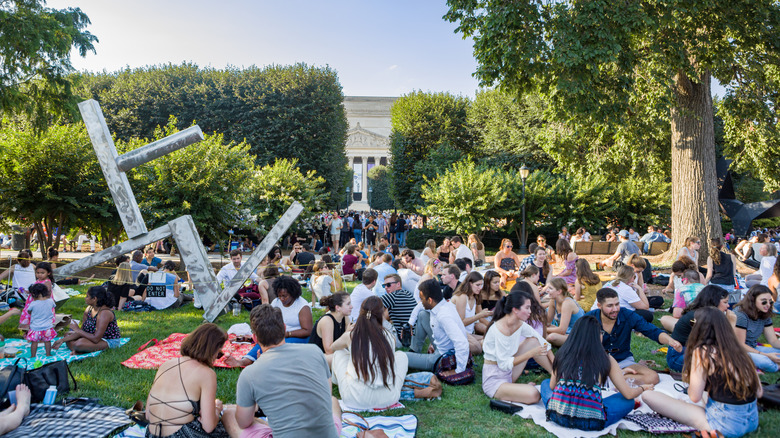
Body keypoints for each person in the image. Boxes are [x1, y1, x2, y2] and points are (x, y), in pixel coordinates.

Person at [222, 305, 342, 438]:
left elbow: (244, 422)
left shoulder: (250, 374)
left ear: (255, 338)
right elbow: (326, 395)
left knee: (229, 414)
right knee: (333, 401)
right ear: (284, 328)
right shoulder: (315, 351)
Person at [642, 308, 761, 438]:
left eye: (693, 324)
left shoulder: (704, 352)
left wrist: (690, 378)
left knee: (648, 395)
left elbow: (694, 396)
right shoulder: (740, 351)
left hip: (724, 425)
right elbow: (759, 392)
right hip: (752, 420)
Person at [542, 316, 654, 431]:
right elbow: (629, 394)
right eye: (601, 332)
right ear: (596, 336)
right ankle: (590, 406)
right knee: (628, 401)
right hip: (591, 421)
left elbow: (552, 386)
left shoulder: (563, 354)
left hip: (558, 416)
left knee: (545, 383)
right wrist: (642, 388)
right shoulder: (605, 359)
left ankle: (565, 404)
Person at [145, 324, 229, 438]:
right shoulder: (207, 374)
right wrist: (217, 410)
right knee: (228, 426)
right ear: (211, 350)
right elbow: (208, 426)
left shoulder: (165, 365)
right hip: (181, 434)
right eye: (219, 354)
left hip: (152, 434)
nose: (216, 358)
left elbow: (148, 415)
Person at [587, 288, 682, 385]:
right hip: (597, 364)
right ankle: (613, 381)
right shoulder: (588, 319)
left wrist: (670, 341)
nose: (615, 309)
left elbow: (652, 330)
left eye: (617, 304)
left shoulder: (627, 315)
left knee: (652, 377)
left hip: (623, 361)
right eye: (610, 306)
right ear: (599, 306)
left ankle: (612, 380)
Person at [330, 296, 408, 410]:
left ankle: (340, 383)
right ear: (382, 314)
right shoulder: (390, 337)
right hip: (388, 399)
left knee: (339, 354)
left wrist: (347, 334)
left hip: (355, 399)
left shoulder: (352, 335)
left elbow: (333, 347)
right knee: (401, 356)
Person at [482, 292, 554, 403]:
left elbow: (543, 342)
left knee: (533, 341)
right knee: (534, 394)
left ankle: (556, 377)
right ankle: (516, 390)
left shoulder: (519, 324)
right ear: (515, 309)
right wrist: (531, 353)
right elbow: (504, 364)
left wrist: (556, 368)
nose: (530, 311)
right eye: (527, 308)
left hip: (509, 373)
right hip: (494, 381)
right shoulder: (498, 329)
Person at [405, 279, 470, 374]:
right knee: (423, 315)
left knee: (399, 356)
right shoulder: (442, 304)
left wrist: (459, 371)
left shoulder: (443, 315)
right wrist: (410, 323)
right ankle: (414, 351)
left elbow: (462, 343)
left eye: (421, 299)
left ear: (430, 300)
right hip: (441, 347)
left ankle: (414, 357)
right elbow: (419, 307)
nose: (420, 302)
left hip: (443, 357)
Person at [666, 286, 733, 372]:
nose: (728, 306)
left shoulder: (707, 315)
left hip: (696, 352)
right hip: (679, 355)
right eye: (725, 302)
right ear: (714, 301)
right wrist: (731, 323)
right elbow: (721, 342)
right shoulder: (695, 316)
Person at [53, 286, 122, 353]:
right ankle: (78, 349)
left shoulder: (104, 313)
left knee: (79, 344)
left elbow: (96, 339)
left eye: (87, 296)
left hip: (107, 340)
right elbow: (83, 331)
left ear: (94, 299)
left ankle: (78, 349)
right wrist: (62, 340)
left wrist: (77, 330)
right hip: (91, 336)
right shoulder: (89, 308)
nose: (85, 298)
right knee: (67, 335)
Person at [734, 285, 780, 372]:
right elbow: (740, 345)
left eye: (770, 302)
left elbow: (773, 341)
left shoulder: (764, 313)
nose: (768, 305)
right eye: (764, 302)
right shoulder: (741, 315)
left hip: (754, 348)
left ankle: (775, 364)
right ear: (752, 299)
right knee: (765, 362)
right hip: (738, 351)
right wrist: (767, 355)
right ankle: (775, 367)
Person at [451, 272, 492, 352]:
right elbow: (461, 323)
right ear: (470, 284)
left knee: (490, 339)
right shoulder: (462, 297)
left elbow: (481, 315)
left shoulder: (475, 296)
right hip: (456, 332)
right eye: (477, 285)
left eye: (481, 285)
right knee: (478, 348)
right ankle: (451, 347)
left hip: (467, 333)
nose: (480, 288)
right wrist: (479, 315)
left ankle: (483, 344)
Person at [309, 293, 352, 364]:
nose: (352, 306)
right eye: (348, 304)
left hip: (332, 355)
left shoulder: (345, 317)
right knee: (344, 359)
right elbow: (329, 351)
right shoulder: (327, 321)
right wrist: (346, 334)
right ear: (338, 307)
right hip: (317, 357)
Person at [269, 276, 312, 343]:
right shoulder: (276, 302)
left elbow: (308, 331)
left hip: (296, 337)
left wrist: (288, 334)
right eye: (279, 296)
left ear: (293, 293)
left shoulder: (303, 306)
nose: (281, 298)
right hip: (278, 336)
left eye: (284, 296)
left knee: (278, 348)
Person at [545, 278, 585, 347]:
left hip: (578, 335)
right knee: (545, 331)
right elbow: (548, 322)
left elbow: (562, 330)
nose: (547, 290)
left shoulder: (567, 303)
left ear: (559, 291)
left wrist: (543, 329)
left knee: (551, 337)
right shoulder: (553, 300)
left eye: (550, 288)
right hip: (567, 332)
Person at [24, 283, 56, 357]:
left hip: (35, 328)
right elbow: (53, 306)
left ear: (34, 294)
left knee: (34, 343)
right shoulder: (50, 301)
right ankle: (48, 354)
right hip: (47, 327)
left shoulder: (33, 304)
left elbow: (29, 311)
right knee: (47, 342)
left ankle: (33, 355)